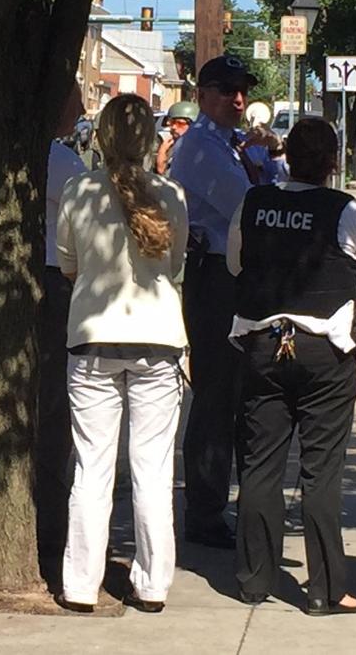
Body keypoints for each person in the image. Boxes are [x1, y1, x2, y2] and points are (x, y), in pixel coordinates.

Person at [228, 118, 356, 613]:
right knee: (321, 471)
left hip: (262, 343)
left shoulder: (255, 202)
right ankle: (326, 589)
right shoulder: (348, 212)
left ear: (286, 155)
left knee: (260, 465)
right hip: (324, 352)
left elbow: (235, 265)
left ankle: (254, 579)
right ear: (332, 162)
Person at [55, 93, 189, 613]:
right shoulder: (172, 194)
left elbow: (67, 262)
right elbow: (174, 265)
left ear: (102, 137)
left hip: (93, 337)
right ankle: (153, 584)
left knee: (93, 466)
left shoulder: (78, 191)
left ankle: (81, 584)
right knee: (152, 468)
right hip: (159, 338)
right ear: (150, 140)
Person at [170, 55, 268, 548]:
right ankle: (205, 511)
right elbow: (252, 206)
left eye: (242, 89)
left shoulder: (232, 145)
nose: (238, 99)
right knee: (215, 398)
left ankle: (231, 505)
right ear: (204, 94)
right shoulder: (200, 149)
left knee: (241, 394)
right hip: (215, 280)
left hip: (239, 279)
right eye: (228, 89)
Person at [35, 84, 87, 569]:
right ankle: (49, 521)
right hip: (58, 281)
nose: (83, 109)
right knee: (55, 404)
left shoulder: (46, 157)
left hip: (45, 277)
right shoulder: (64, 163)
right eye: (74, 101)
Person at [155, 100, 199, 174]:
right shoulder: (171, 146)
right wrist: (162, 151)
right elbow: (161, 170)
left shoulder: (198, 148)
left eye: (180, 123)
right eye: (172, 122)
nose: (174, 127)